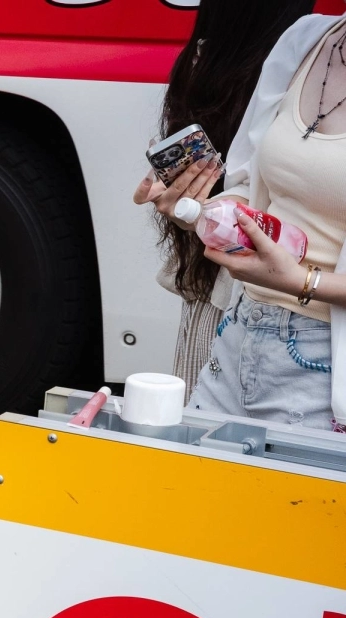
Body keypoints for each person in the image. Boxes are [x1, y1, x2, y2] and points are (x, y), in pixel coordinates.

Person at [135, 0, 316, 400]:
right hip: (259, 296)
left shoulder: (221, 57)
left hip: (233, 288)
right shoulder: (306, 47)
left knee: (202, 438)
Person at [181, 10, 346, 432]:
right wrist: (198, 210)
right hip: (240, 331)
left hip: (325, 364)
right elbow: (250, 188)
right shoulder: (306, 38)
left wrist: (299, 281)